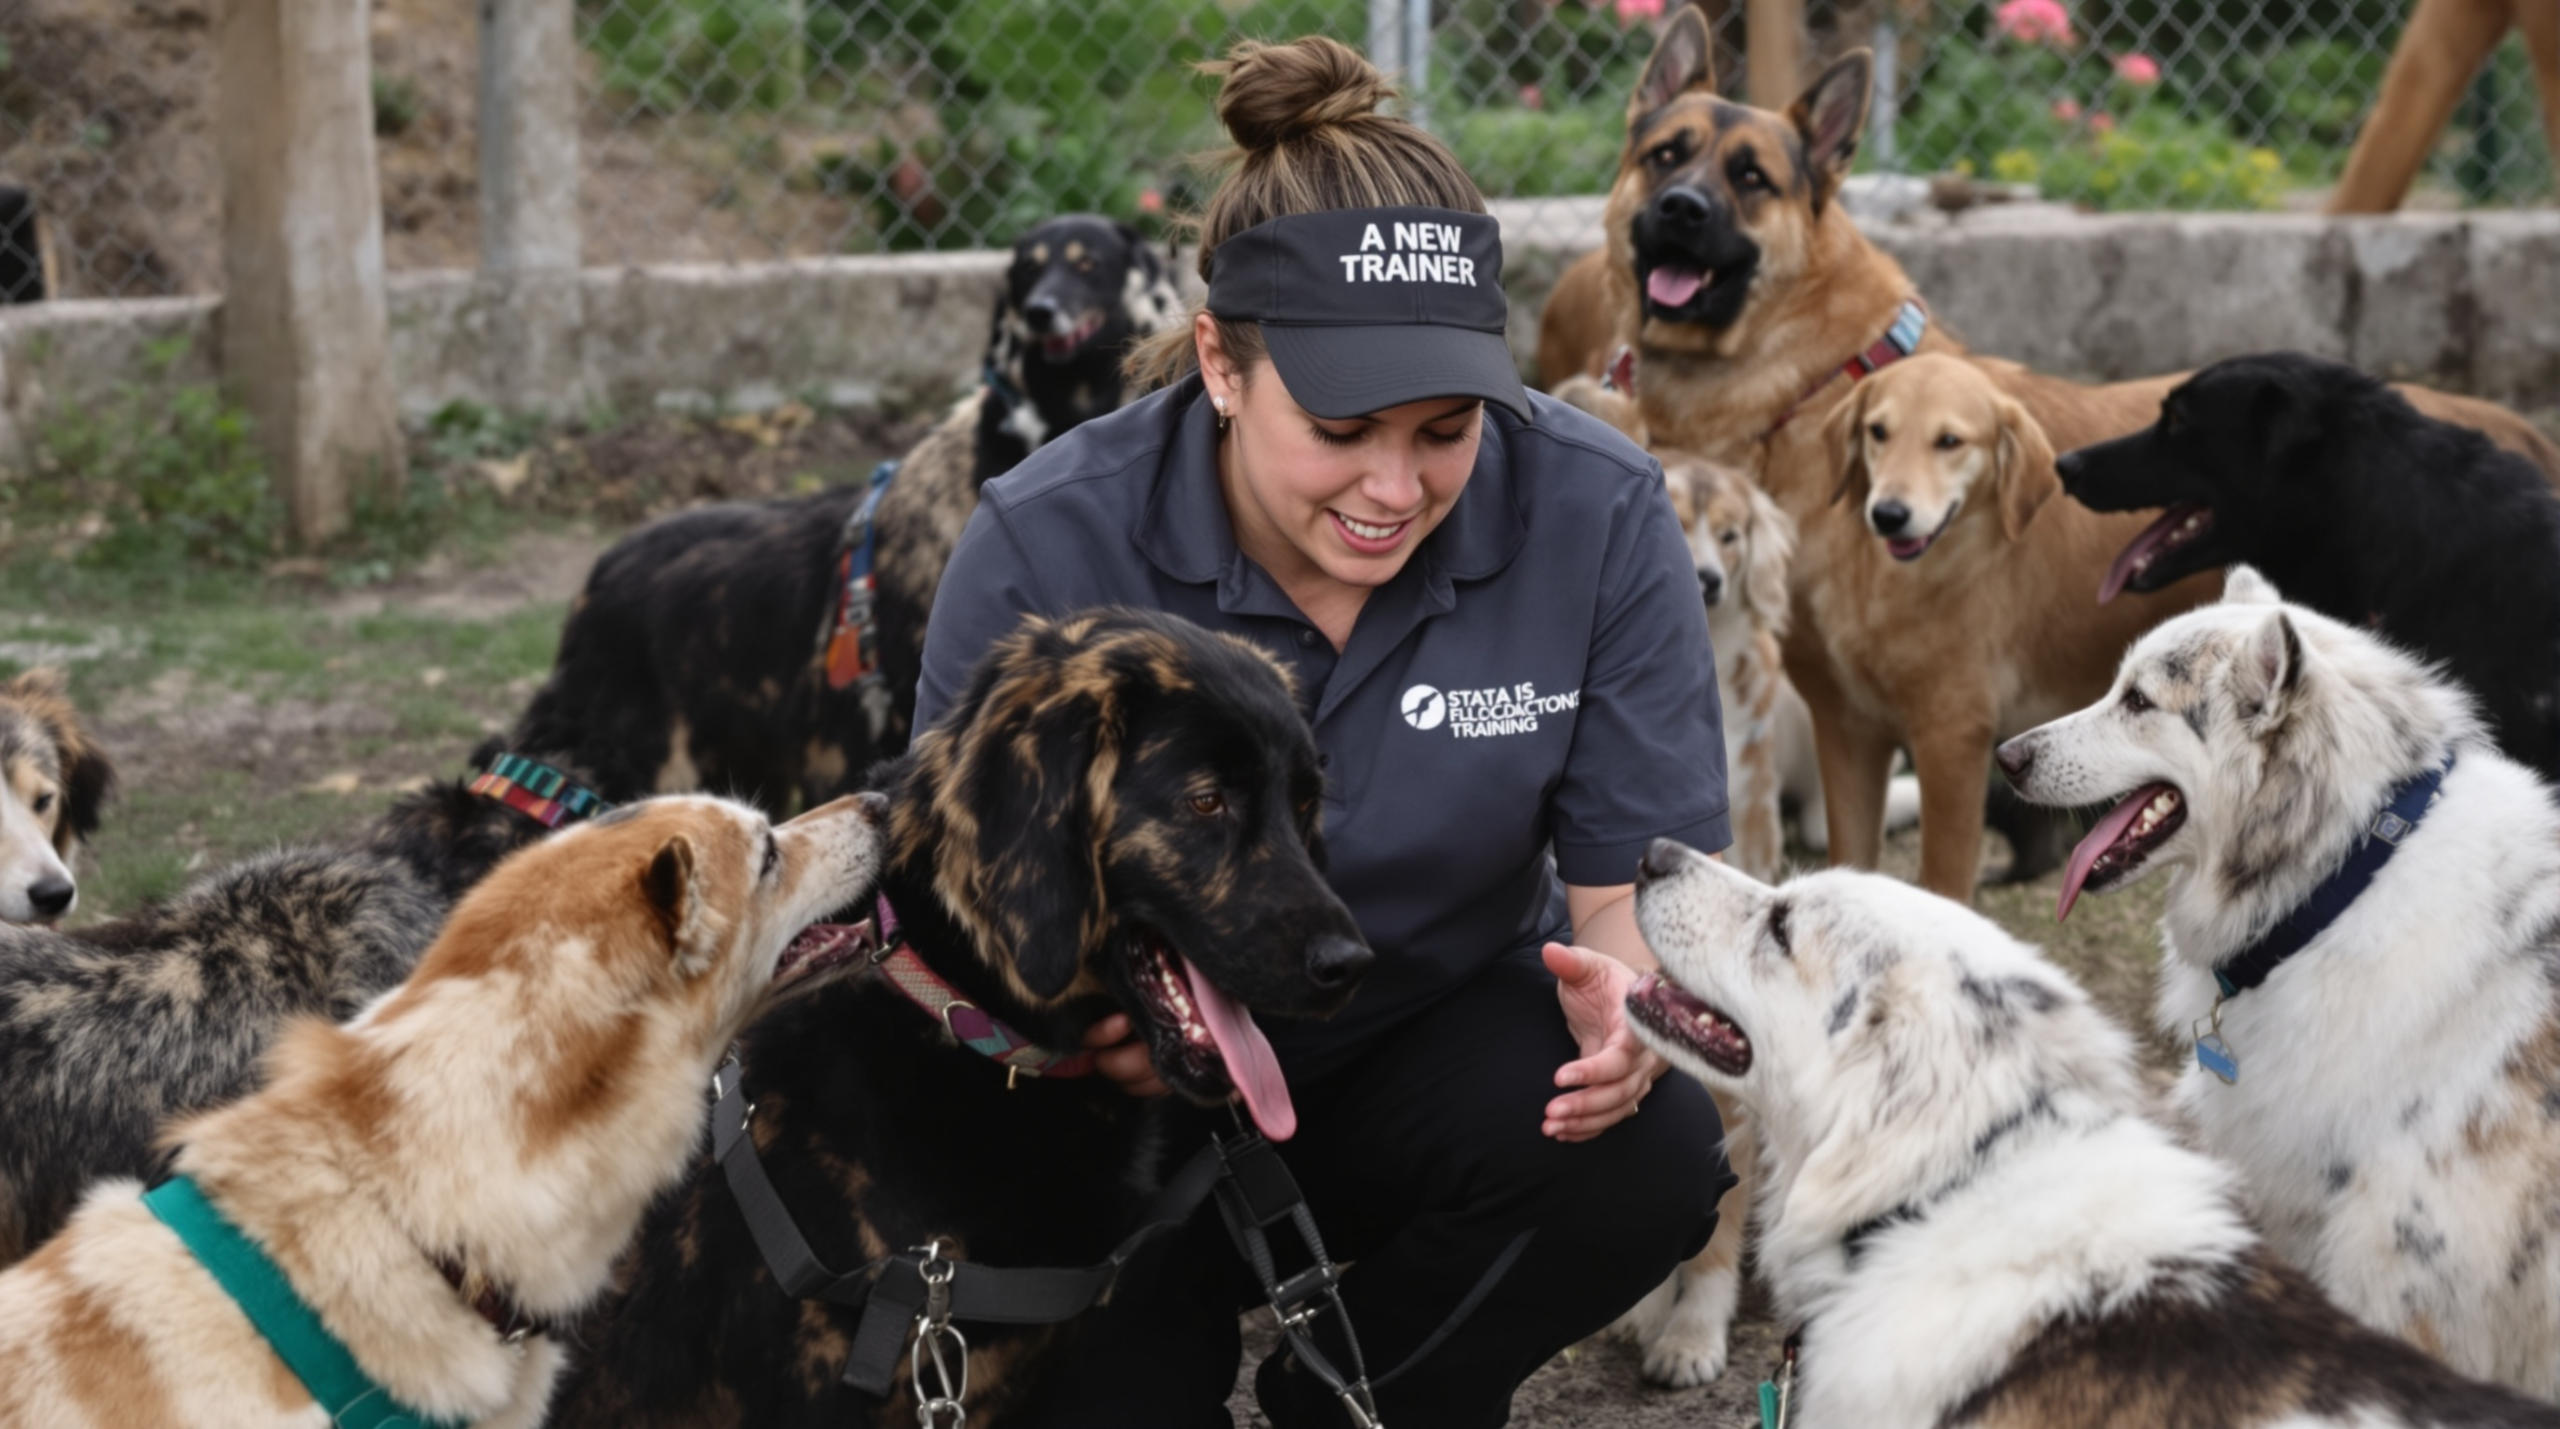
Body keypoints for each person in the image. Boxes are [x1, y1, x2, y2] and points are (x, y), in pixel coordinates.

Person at [913, 36, 1734, 1428]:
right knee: (1119, 1395)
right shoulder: (1048, 541)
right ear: (1225, 364)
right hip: (1117, 1091)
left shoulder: (1593, 512)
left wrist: (1626, 1002)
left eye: (1447, 427)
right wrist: (1056, 1026)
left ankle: (1358, 1397)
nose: (1395, 487)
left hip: (1422, 1037)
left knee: (1646, 1154)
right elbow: (937, 918)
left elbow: (1629, 893)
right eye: (1344, 426)